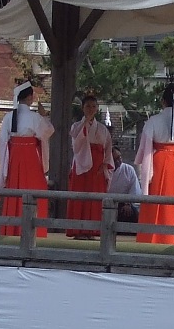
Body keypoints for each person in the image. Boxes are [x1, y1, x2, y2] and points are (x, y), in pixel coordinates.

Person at [135, 83, 174, 245]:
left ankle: (153, 237)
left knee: (157, 198)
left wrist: (145, 169)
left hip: (159, 160)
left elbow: (145, 147)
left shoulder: (153, 121)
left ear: (162, 101)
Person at [0, 82, 54, 238]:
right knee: (34, 190)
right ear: (30, 98)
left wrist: (5, 168)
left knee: (15, 191)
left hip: (14, 157)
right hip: (30, 157)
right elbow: (48, 131)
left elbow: (2, 141)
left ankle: (13, 229)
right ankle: (34, 229)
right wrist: (44, 116)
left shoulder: (9, 117)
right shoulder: (35, 117)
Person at [66, 94, 114, 239]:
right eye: (88, 106)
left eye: (94, 106)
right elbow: (74, 136)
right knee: (79, 196)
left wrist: (105, 164)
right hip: (81, 163)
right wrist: (85, 121)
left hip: (97, 166)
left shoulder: (102, 129)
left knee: (95, 197)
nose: (91, 109)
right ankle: (77, 230)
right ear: (82, 108)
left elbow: (108, 147)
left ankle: (93, 230)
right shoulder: (77, 126)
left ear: (97, 108)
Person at [108, 146, 141, 224]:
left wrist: (128, 203)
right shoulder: (104, 171)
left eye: (119, 157)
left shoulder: (129, 169)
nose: (118, 161)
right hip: (107, 203)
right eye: (115, 159)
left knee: (131, 214)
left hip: (124, 203)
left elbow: (134, 190)